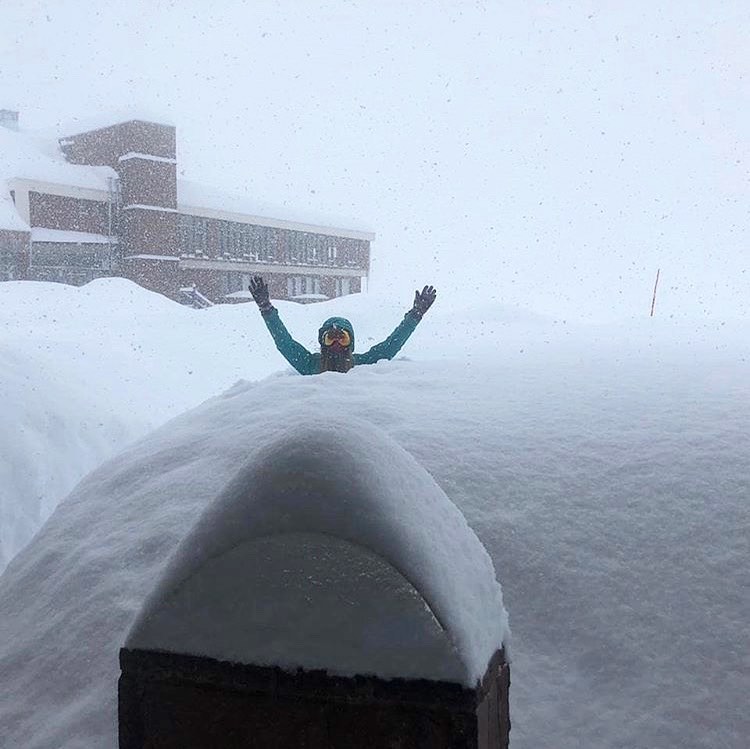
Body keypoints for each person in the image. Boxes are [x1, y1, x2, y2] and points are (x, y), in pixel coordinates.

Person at [248, 276, 436, 374]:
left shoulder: (361, 364)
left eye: (342, 338)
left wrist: (415, 315)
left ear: (351, 343)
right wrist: (266, 309)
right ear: (322, 343)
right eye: (330, 338)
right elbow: (284, 343)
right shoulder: (310, 364)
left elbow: (391, 345)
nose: (336, 345)